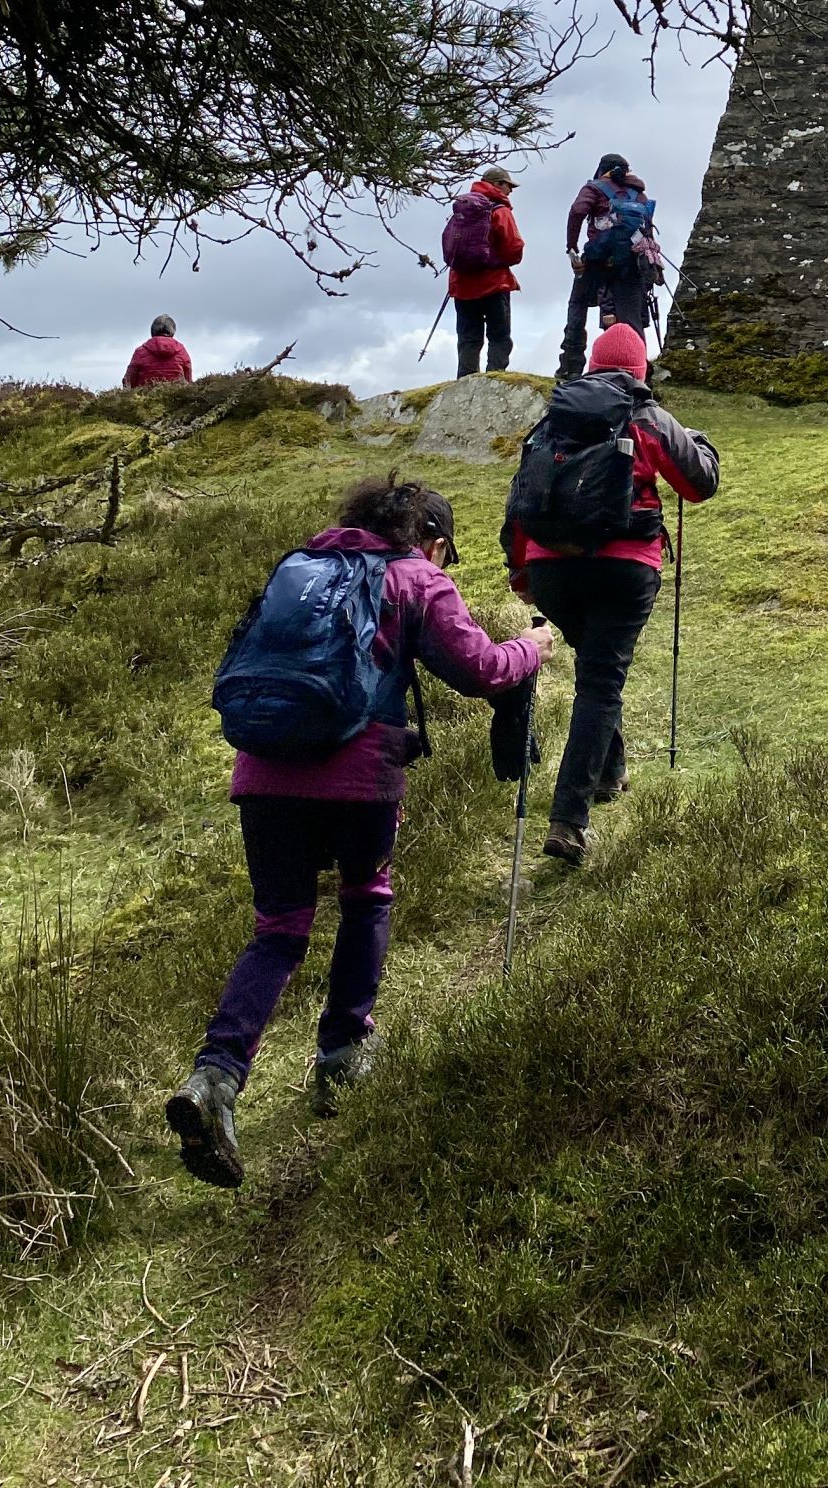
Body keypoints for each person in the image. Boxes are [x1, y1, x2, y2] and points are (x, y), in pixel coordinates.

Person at [165, 477, 553, 1189]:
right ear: (432, 540)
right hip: (357, 779)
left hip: (262, 772)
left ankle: (215, 1077)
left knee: (278, 929)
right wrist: (532, 648)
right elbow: (479, 670)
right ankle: (342, 1056)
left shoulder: (299, 566)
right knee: (366, 898)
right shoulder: (417, 578)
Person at [503, 324, 718, 866]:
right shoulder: (646, 417)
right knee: (601, 682)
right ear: (639, 370)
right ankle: (568, 821)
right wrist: (701, 444)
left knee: (596, 668)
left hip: (552, 569)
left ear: (593, 365)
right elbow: (700, 484)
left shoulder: (551, 420)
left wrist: (523, 572)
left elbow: (524, 498)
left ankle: (609, 772)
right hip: (624, 568)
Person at [558, 153, 658, 379]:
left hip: (597, 258)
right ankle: (638, 372)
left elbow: (577, 211)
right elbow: (646, 228)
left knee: (578, 304)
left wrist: (572, 247)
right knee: (631, 317)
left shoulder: (594, 188)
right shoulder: (639, 194)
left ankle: (570, 367)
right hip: (631, 262)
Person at [442, 165, 523, 378]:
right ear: (497, 185)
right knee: (499, 336)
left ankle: (465, 379)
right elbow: (514, 247)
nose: (510, 190)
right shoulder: (499, 211)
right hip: (494, 284)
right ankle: (494, 379)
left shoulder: (462, 208)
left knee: (468, 337)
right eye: (508, 185)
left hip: (462, 285)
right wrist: (502, 261)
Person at [123, 315, 193, 388]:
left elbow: (129, 381)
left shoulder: (140, 351)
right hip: (177, 396)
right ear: (172, 331)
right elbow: (188, 381)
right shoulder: (182, 351)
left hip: (144, 396)